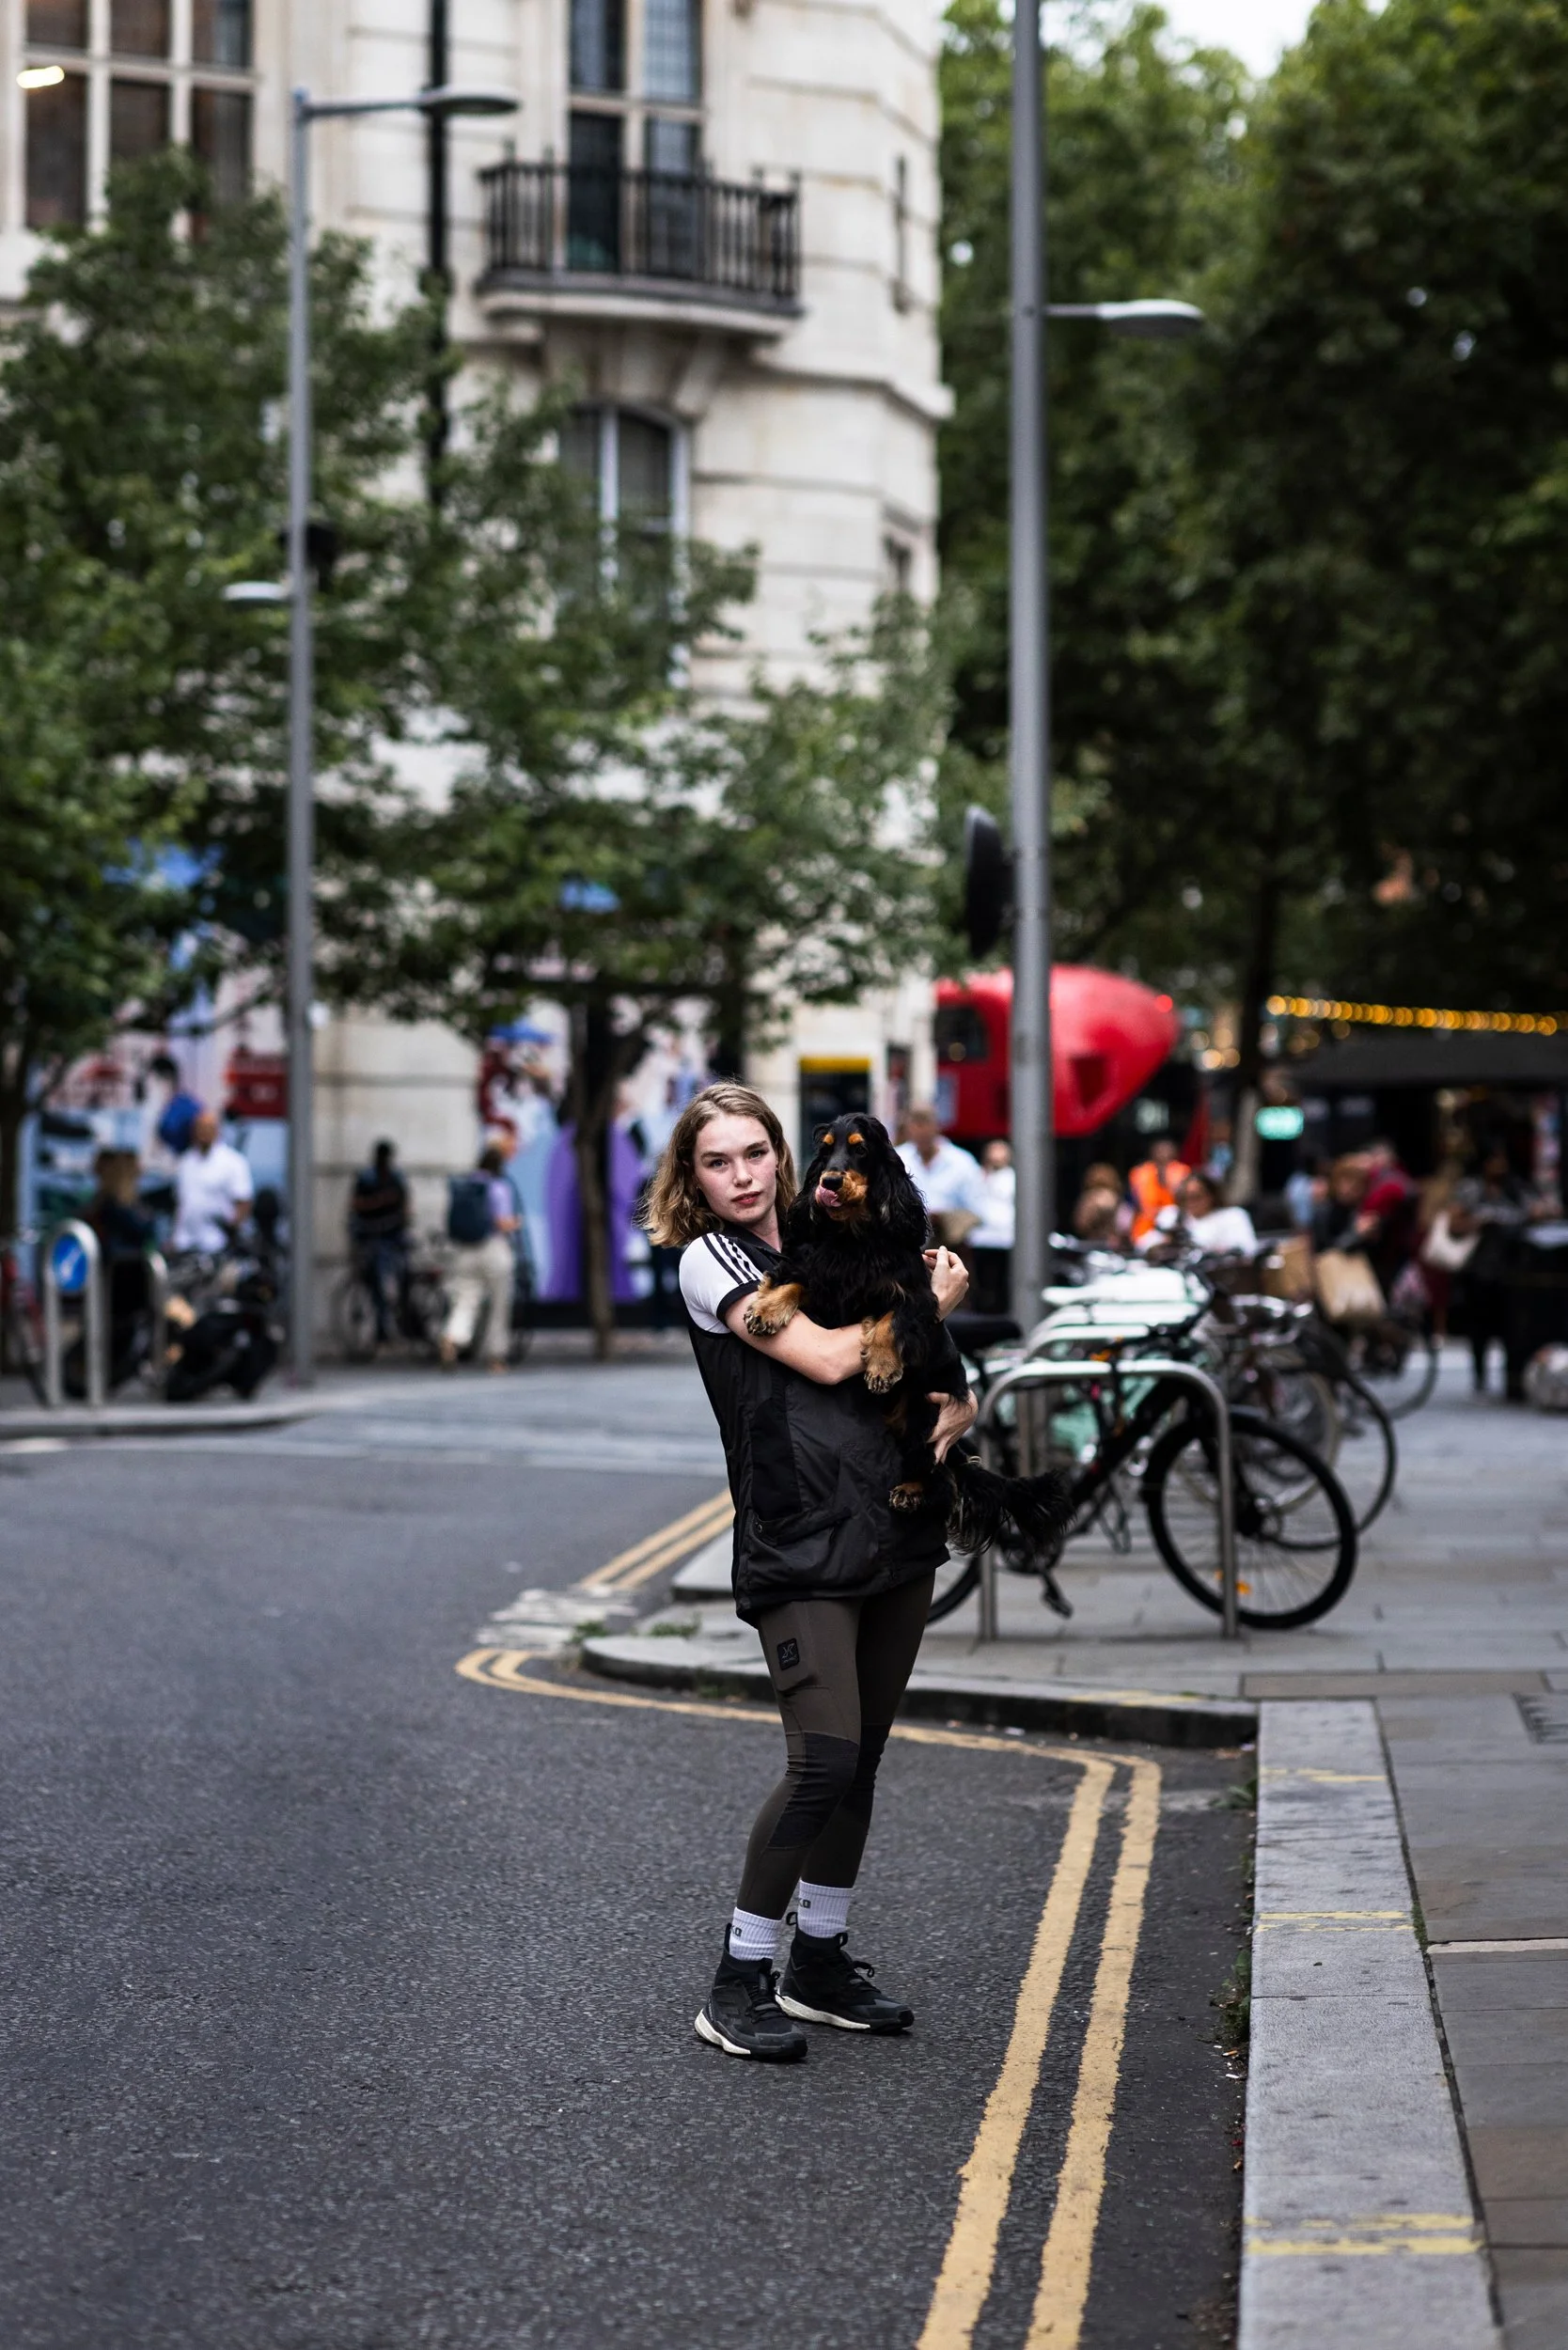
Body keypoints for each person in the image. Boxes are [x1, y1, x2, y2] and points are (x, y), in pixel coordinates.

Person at [646, 1081, 976, 2062]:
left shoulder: (824, 1236)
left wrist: (967, 1397)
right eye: (718, 1160)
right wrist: (925, 1301)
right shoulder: (716, 1262)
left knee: (864, 1756)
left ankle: (819, 1961)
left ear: (781, 1156)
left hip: (893, 1527)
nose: (741, 1176)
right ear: (691, 1177)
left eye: (755, 1154)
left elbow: (929, 1349)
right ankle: (739, 1975)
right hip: (797, 1541)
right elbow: (834, 1359)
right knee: (822, 1757)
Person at [1451, 1143, 1544, 1400]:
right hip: (1480, 1268)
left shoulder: (1516, 1188)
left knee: (1512, 1324)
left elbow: (1539, 1209)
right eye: (1495, 1160)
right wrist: (1480, 1221)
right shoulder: (1472, 1188)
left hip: (1513, 1268)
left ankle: (1510, 1377)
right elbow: (1454, 1223)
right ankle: (1480, 1375)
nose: (1499, 1166)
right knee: (1479, 1325)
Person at [440, 1140, 521, 1371]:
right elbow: (502, 1222)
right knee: (499, 1304)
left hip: (464, 1250)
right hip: (493, 1249)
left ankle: (452, 1337)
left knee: (465, 1300)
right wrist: (516, 1224)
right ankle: (496, 1356)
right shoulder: (498, 1187)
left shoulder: (466, 1184)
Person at [896, 1105, 988, 1250]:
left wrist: (944, 1219)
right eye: (916, 1126)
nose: (921, 1132)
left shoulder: (962, 1163)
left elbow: (978, 1211)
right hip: (906, 1247)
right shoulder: (898, 1159)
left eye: (925, 1125)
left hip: (951, 1248)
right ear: (908, 1129)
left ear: (937, 1127)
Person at [349, 1139, 411, 1345]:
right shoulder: (368, 1178)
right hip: (373, 1235)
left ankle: (401, 1321)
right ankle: (382, 1326)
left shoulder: (395, 1177)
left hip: (393, 1234)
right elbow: (357, 1205)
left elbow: (406, 1205)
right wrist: (381, 1201)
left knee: (404, 1276)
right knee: (376, 1280)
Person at [171, 1110, 254, 1256]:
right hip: (185, 1243)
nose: (203, 1133)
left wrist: (233, 1232)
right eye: (200, 1128)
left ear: (217, 1130)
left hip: (216, 1244)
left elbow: (243, 1202)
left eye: (208, 1128)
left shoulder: (233, 1162)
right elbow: (181, 1203)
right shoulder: (186, 1162)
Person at [1145, 1168, 1257, 1259]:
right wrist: (1165, 1243)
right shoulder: (1172, 1216)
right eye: (1184, 1198)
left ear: (1212, 1195)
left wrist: (1217, 1252)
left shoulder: (1232, 1216)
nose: (1190, 1203)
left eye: (1196, 1197)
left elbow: (1248, 1249)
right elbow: (1143, 1245)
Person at [968, 1138, 1015, 1313]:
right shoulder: (978, 1176)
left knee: (1002, 1281)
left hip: (1005, 1239)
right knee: (981, 1281)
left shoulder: (1012, 1178)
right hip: (981, 1238)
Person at [1128, 1136, 1190, 1244]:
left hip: (1174, 1226)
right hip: (1145, 1228)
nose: (1163, 1154)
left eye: (1167, 1150)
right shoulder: (1140, 1173)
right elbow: (1136, 1204)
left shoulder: (1183, 1171)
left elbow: (1185, 1201)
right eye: (1160, 1150)